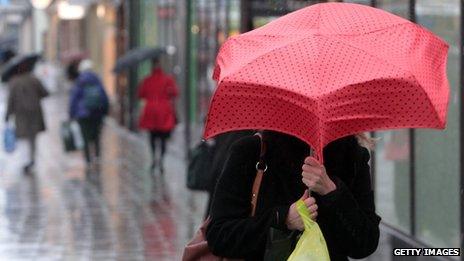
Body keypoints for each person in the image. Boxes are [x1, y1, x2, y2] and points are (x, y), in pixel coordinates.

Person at [206, 131, 381, 260]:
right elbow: (219, 236)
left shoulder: (352, 157)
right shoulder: (252, 152)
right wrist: (283, 219)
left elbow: (365, 244)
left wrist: (331, 192)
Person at [138, 58, 178, 174]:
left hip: (150, 110)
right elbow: (175, 93)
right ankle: (161, 160)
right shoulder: (167, 79)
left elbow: (141, 94)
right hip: (164, 111)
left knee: (152, 136)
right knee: (163, 137)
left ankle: (153, 158)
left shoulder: (147, 80)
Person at [5, 68, 49, 174]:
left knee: (22, 138)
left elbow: (10, 100)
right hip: (34, 113)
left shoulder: (14, 82)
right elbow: (45, 93)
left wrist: (8, 114)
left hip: (20, 114)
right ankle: (31, 159)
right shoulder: (34, 79)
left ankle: (25, 162)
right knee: (32, 138)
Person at [69, 60, 109, 169]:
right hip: (97, 112)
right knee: (96, 136)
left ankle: (88, 160)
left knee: (85, 137)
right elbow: (104, 96)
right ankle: (97, 156)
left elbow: (74, 99)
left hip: (83, 114)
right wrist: (105, 111)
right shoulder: (97, 80)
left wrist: (72, 114)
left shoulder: (79, 81)